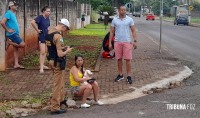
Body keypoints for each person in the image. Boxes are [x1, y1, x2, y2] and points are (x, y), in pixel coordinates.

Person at [45, 18, 72, 115]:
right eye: (66, 29)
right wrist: (67, 51)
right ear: (63, 26)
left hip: (52, 61)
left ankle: (60, 101)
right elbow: (60, 54)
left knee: (60, 84)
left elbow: (52, 48)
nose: (66, 31)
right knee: (57, 85)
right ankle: (55, 107)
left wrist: (63, 48)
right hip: (58, 62)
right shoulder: (58, 36)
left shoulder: (49, 32)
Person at [109, 5, 137, 84]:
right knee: (119, 59)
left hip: (127, 42)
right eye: (121, 10)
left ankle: (129, 76)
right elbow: (111, 32)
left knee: (128, 60)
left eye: (124, 10)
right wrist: (110, 43)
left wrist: (135, 41)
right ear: (119, 10)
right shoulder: (115, 20)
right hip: (117, 42)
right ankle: (120, 74)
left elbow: (133, 30)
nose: (123, 11)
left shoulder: (130, 19)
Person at [0, 1, 25, 69]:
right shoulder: (8, 13)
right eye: (15, 5)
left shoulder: (12, 14)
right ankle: (9, 42)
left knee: (16, 49)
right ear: (11, 6)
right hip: (12, 34)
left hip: (15, 33)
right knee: (23, 45)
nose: (16, 6)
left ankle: (16, 64)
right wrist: (8, 30)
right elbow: (2, 22)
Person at [31, 6, 51, 73]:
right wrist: (37, 30)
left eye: (49, 11)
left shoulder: (48, 18)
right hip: (41, 36)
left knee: (45, 51)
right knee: (42, 51)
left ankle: (42, 65)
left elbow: (48, 27)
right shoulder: (40, 17)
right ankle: (41, 67)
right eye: (47, 11)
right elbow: (32, 22)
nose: (49, 12)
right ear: (44, 11)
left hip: (47, 36)